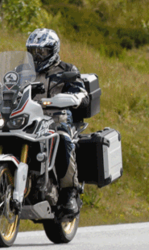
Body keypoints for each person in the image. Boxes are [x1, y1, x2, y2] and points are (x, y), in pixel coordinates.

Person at [27, 28, 87, 218]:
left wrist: (74, 97)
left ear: (53, 51)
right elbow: (8, 87)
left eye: (42, 52)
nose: (37, 56)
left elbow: (81, 94)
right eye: (33, 51)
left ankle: (70, 191)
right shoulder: (23, 72)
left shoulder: (67, 70)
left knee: (62, 138)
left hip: (57, 117)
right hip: (28, 119)